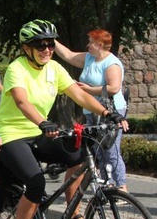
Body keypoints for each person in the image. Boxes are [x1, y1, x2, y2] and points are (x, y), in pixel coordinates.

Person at [0, 20, 125, 219]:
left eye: (50, 45)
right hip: (11, 134)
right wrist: (43, 122)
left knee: (78, 158)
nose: (46, 49)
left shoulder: (54, 68)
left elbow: (80, 95)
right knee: (35, 182)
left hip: (39, 131)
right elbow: (22, 102)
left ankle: (73, 212)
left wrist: (108, 113)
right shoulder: (16, 68)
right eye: (40, 45)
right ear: (27, 48)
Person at [55, 29, 129, 190]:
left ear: (99, 44)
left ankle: (121, 186)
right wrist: (51, 39)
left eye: (90, 42)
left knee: (110, 149)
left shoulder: (111, 63)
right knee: (98, 149)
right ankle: (107, 183)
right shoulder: (89, 58)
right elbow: (67, 55)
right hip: (92, 112)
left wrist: (88, 90)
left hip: (111, 112)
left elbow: (114, 87)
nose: (87, 45)